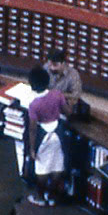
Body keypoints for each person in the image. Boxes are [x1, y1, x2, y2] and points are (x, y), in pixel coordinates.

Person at [24, 66, 68, 206]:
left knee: (41, 167)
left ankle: (40, 197)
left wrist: (32, 149)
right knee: (57, 164)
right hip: (58, 134)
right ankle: (53, 196)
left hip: (43, 136)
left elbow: (32, 129)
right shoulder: (57, 94)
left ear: (32, 85)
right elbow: (67, 111)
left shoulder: (33, 104)